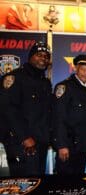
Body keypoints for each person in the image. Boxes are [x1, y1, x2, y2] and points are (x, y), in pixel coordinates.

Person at [0, 41, 52, 176]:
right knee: (23, 185)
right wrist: (24, 138)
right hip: (20, 143)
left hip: (40, 142)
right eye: (39, 55)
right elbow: (8, 111)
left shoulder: (45, 82)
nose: (43, 59)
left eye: (46, 56)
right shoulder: (15, 78)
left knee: (37, 185)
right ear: (30, 56)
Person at [52, 54, 86, 175]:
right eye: (83, 69)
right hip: (68, 146)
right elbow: (58, 118)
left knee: (77, 184)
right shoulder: (65, 87)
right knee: (64, 185)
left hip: (83, 147)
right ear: (76, 68)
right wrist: (61, 145)